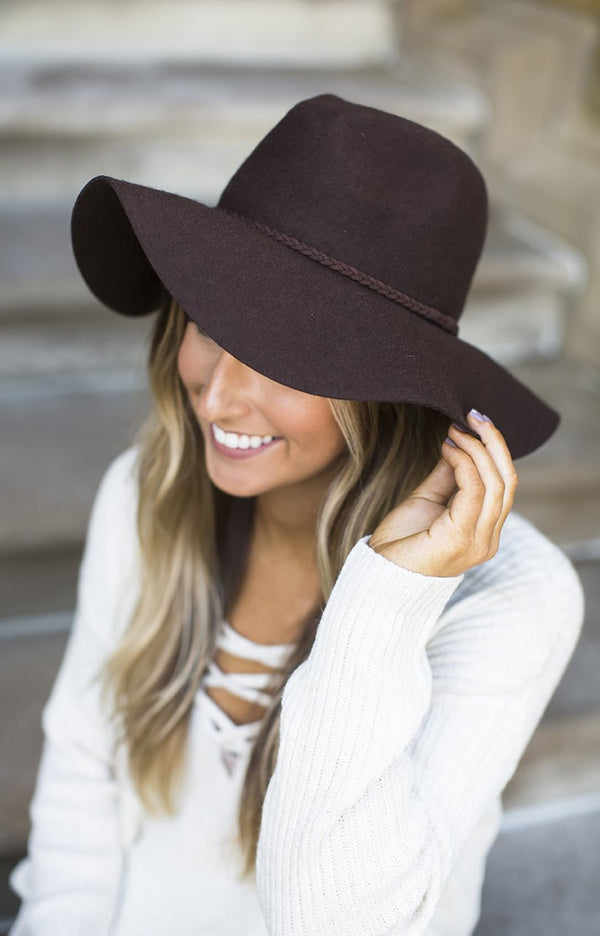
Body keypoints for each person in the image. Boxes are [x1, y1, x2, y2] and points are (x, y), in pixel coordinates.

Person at [9, 94, 585, 936]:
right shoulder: (148, 490)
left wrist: (386, 604)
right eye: (206, 322)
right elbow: (80, 782)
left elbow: (337, 920)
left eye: (282, 355)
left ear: (388, 389)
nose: (215, 393)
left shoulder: (511, 600)